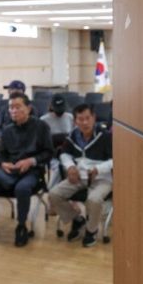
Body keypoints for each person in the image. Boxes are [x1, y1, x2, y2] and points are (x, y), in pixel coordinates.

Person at [0, 92, 53, 247]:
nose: (13, 111)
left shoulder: (41, 126)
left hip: (31, 171)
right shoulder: (7, 129)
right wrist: (3, 163)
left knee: (22, 188)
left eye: (18, 107)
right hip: (9, 172)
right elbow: (0, 153)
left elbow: (49, 153)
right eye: (11, 107)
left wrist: (30, 161)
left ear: (28, 108)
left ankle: (21, 226)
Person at [49, 103, 113, 247]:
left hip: (102, 178)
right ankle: (77, 219)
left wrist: (99, 168)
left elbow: (116, 160)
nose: (85, 122)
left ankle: (92, 230)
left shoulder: (105, 136)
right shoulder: (72, 136)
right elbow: (64, 154)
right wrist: (70, 167)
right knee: (54, 194)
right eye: (80, 119)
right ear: (75, 121)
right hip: (79, 176)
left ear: (94, 118)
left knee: (94, 199)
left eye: (88, 118)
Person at [40, 93, 74, 188]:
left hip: (68, 151)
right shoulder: (43, 120)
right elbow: (42, 142)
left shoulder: (70, 117)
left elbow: (74, 136)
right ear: (51, 107)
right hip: (52, 153)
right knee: (57, 167)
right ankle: (52, 190)